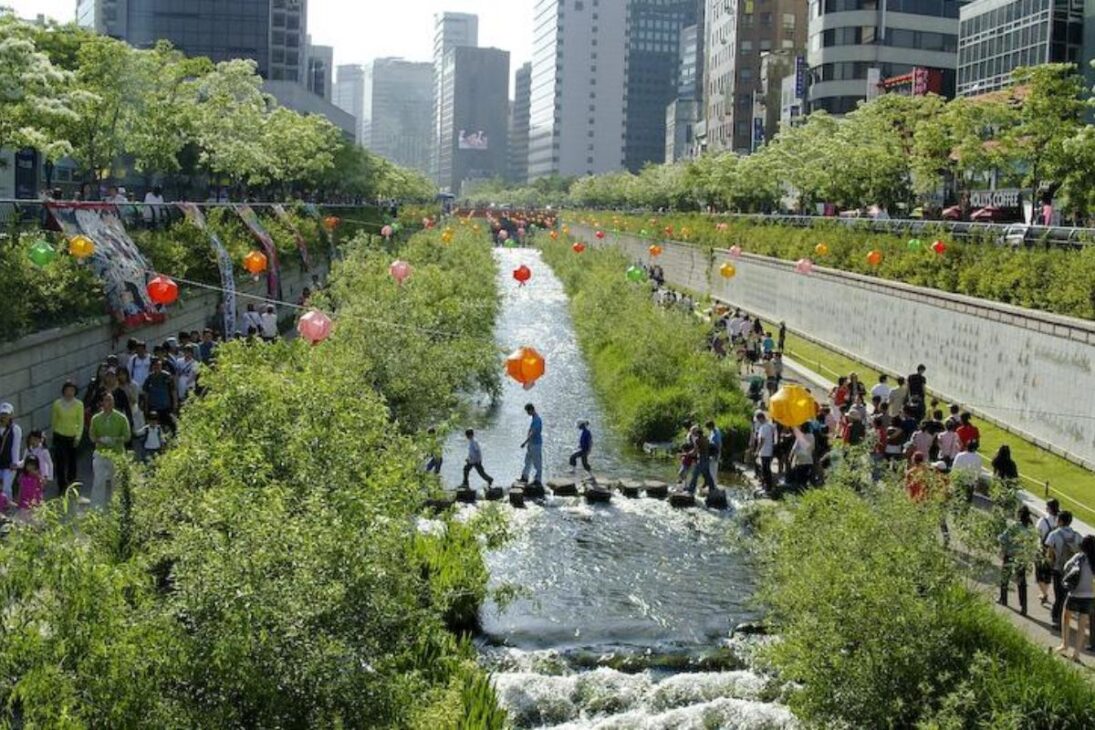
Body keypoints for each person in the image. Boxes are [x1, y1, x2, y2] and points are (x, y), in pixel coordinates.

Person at [1055, 534, 1094, 662]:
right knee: (1082, 626)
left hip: (1075, 594)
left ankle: (1064, 644)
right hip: (1090, 597)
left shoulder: (1079, 557)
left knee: (1066, 618)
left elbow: (1067, 567)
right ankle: (1076, 654)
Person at [88, 393, 131, 506]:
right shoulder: (96, 418)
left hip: (117, 453)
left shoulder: (121, 418)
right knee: (98, 481)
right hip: (101, 453)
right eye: (107, 400)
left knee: (116, 482)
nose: (110, 403)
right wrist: (100, 439)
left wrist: (115, 439)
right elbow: (92, 436)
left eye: (111, 400)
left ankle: (116, 506)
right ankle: (96, 508)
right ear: (102, 403)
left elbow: (127, 436)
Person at [1045, 511, 1083, 630]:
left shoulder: (1054, 534)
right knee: (1066, 595)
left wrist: (1049, 563)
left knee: (1058, 595)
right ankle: (1062, 618)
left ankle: (1056, 618)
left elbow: (1050, 553)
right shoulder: (1077, 535)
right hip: (1072, 571)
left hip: (1058, 569)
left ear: (1060, 521)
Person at [998, 505, 1033, 615]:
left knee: (1005, 577)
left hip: (1010, 554)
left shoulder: (1014, 526)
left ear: (1019, 515)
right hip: (1023, 557)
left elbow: (1003, 538)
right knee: (1022, 582)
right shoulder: (1031, 529)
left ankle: (1003, 599)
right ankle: (1024, 606)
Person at [50, 382, 84, 492]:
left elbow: (80, 421)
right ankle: (61, 485)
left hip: (72, 436)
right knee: (60, 461)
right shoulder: (57, 404)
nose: (69, 393)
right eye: (68, 390)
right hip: (59, 435)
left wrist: (78, 437)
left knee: (72, 461)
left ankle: (71, 481)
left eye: (72, 390)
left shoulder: (79, 404)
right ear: (64, 391)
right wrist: (53, 433)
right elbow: (54, 420)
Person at [143, 357, 177, 434]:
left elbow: (173, 390)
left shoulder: (167, 376)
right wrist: (146, 406)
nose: (156, 367)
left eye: (158, 365)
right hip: (154, 407)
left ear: (161, 366)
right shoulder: (149, 378)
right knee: (155, 428)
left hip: (166, 407)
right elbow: (146, 393)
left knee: (172, 425)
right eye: (154, 365)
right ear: (152, 367)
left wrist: (175, 403)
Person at [1036, 500, 1060, 605]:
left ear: (1049, 508)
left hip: (1042, 550)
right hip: (1055, 551)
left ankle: (1044, 593)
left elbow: (1037, 534)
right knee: (1048, 573)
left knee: (1039, 573)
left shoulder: (1043, 520)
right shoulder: (1059, 520)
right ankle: (1044, 592)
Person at [0, 403, 23, 509]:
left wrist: (15, 463)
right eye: (2, 414)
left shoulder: (15, 429)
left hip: (8, 463)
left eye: (6, 414)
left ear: (11, 415)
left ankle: (7, 508)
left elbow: (15, 447)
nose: (4, 416)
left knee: (6, 487)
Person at [519, 403, 543, 487]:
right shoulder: (534, 418)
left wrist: (524, 442)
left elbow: (533, 433)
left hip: (536, 444)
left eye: (527, 411)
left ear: (531, 410)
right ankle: (524, 477)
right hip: (531, 444)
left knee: (537, 462)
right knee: (527, 461)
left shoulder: (537, 419)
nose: (527, 413)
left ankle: (538, 480)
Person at [686, 425, 714, 495]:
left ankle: (691, 490)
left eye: (693, 433)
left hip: (701, 459)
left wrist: (687, 454)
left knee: (695, 475)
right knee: (707, 474)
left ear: (697, 433)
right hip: (707, 458)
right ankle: (712, 488)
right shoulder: (706, 438)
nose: (693, 434)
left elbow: (695, 451)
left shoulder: (697, 440)